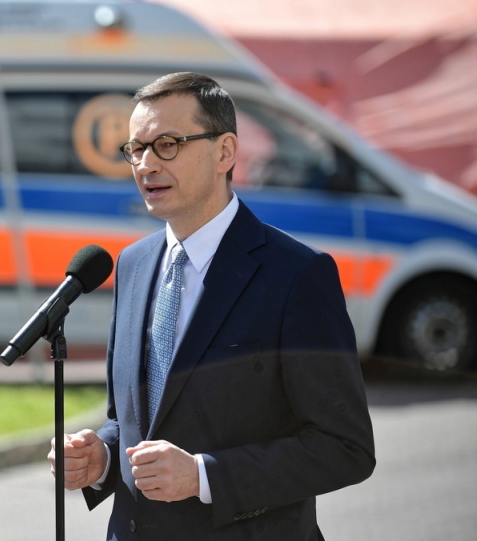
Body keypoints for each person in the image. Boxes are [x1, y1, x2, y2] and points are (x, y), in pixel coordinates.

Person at [48, 72, 375, 540]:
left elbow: (345, 448)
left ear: (225, 152)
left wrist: (204, 475)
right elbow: (135, 419)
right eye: (135, 149)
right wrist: (102, 455)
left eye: (167, 144)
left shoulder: (297, 275)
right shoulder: (133, 263)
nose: (145, 164)